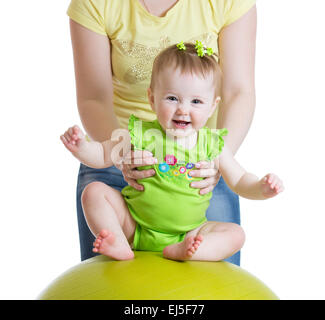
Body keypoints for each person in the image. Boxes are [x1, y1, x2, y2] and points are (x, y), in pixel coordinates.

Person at [67, 0, 257, 265]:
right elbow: (94, 98)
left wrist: (218, 161)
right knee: (111, 282)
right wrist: (118, 154)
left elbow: (239, 92)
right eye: (171, 100)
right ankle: (121, 243)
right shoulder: (96, 3)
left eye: (194, 103)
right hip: (120, 149)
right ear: (151, 98)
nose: (181, 110)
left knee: (218, 265)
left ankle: (186, 248)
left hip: (199, 166)